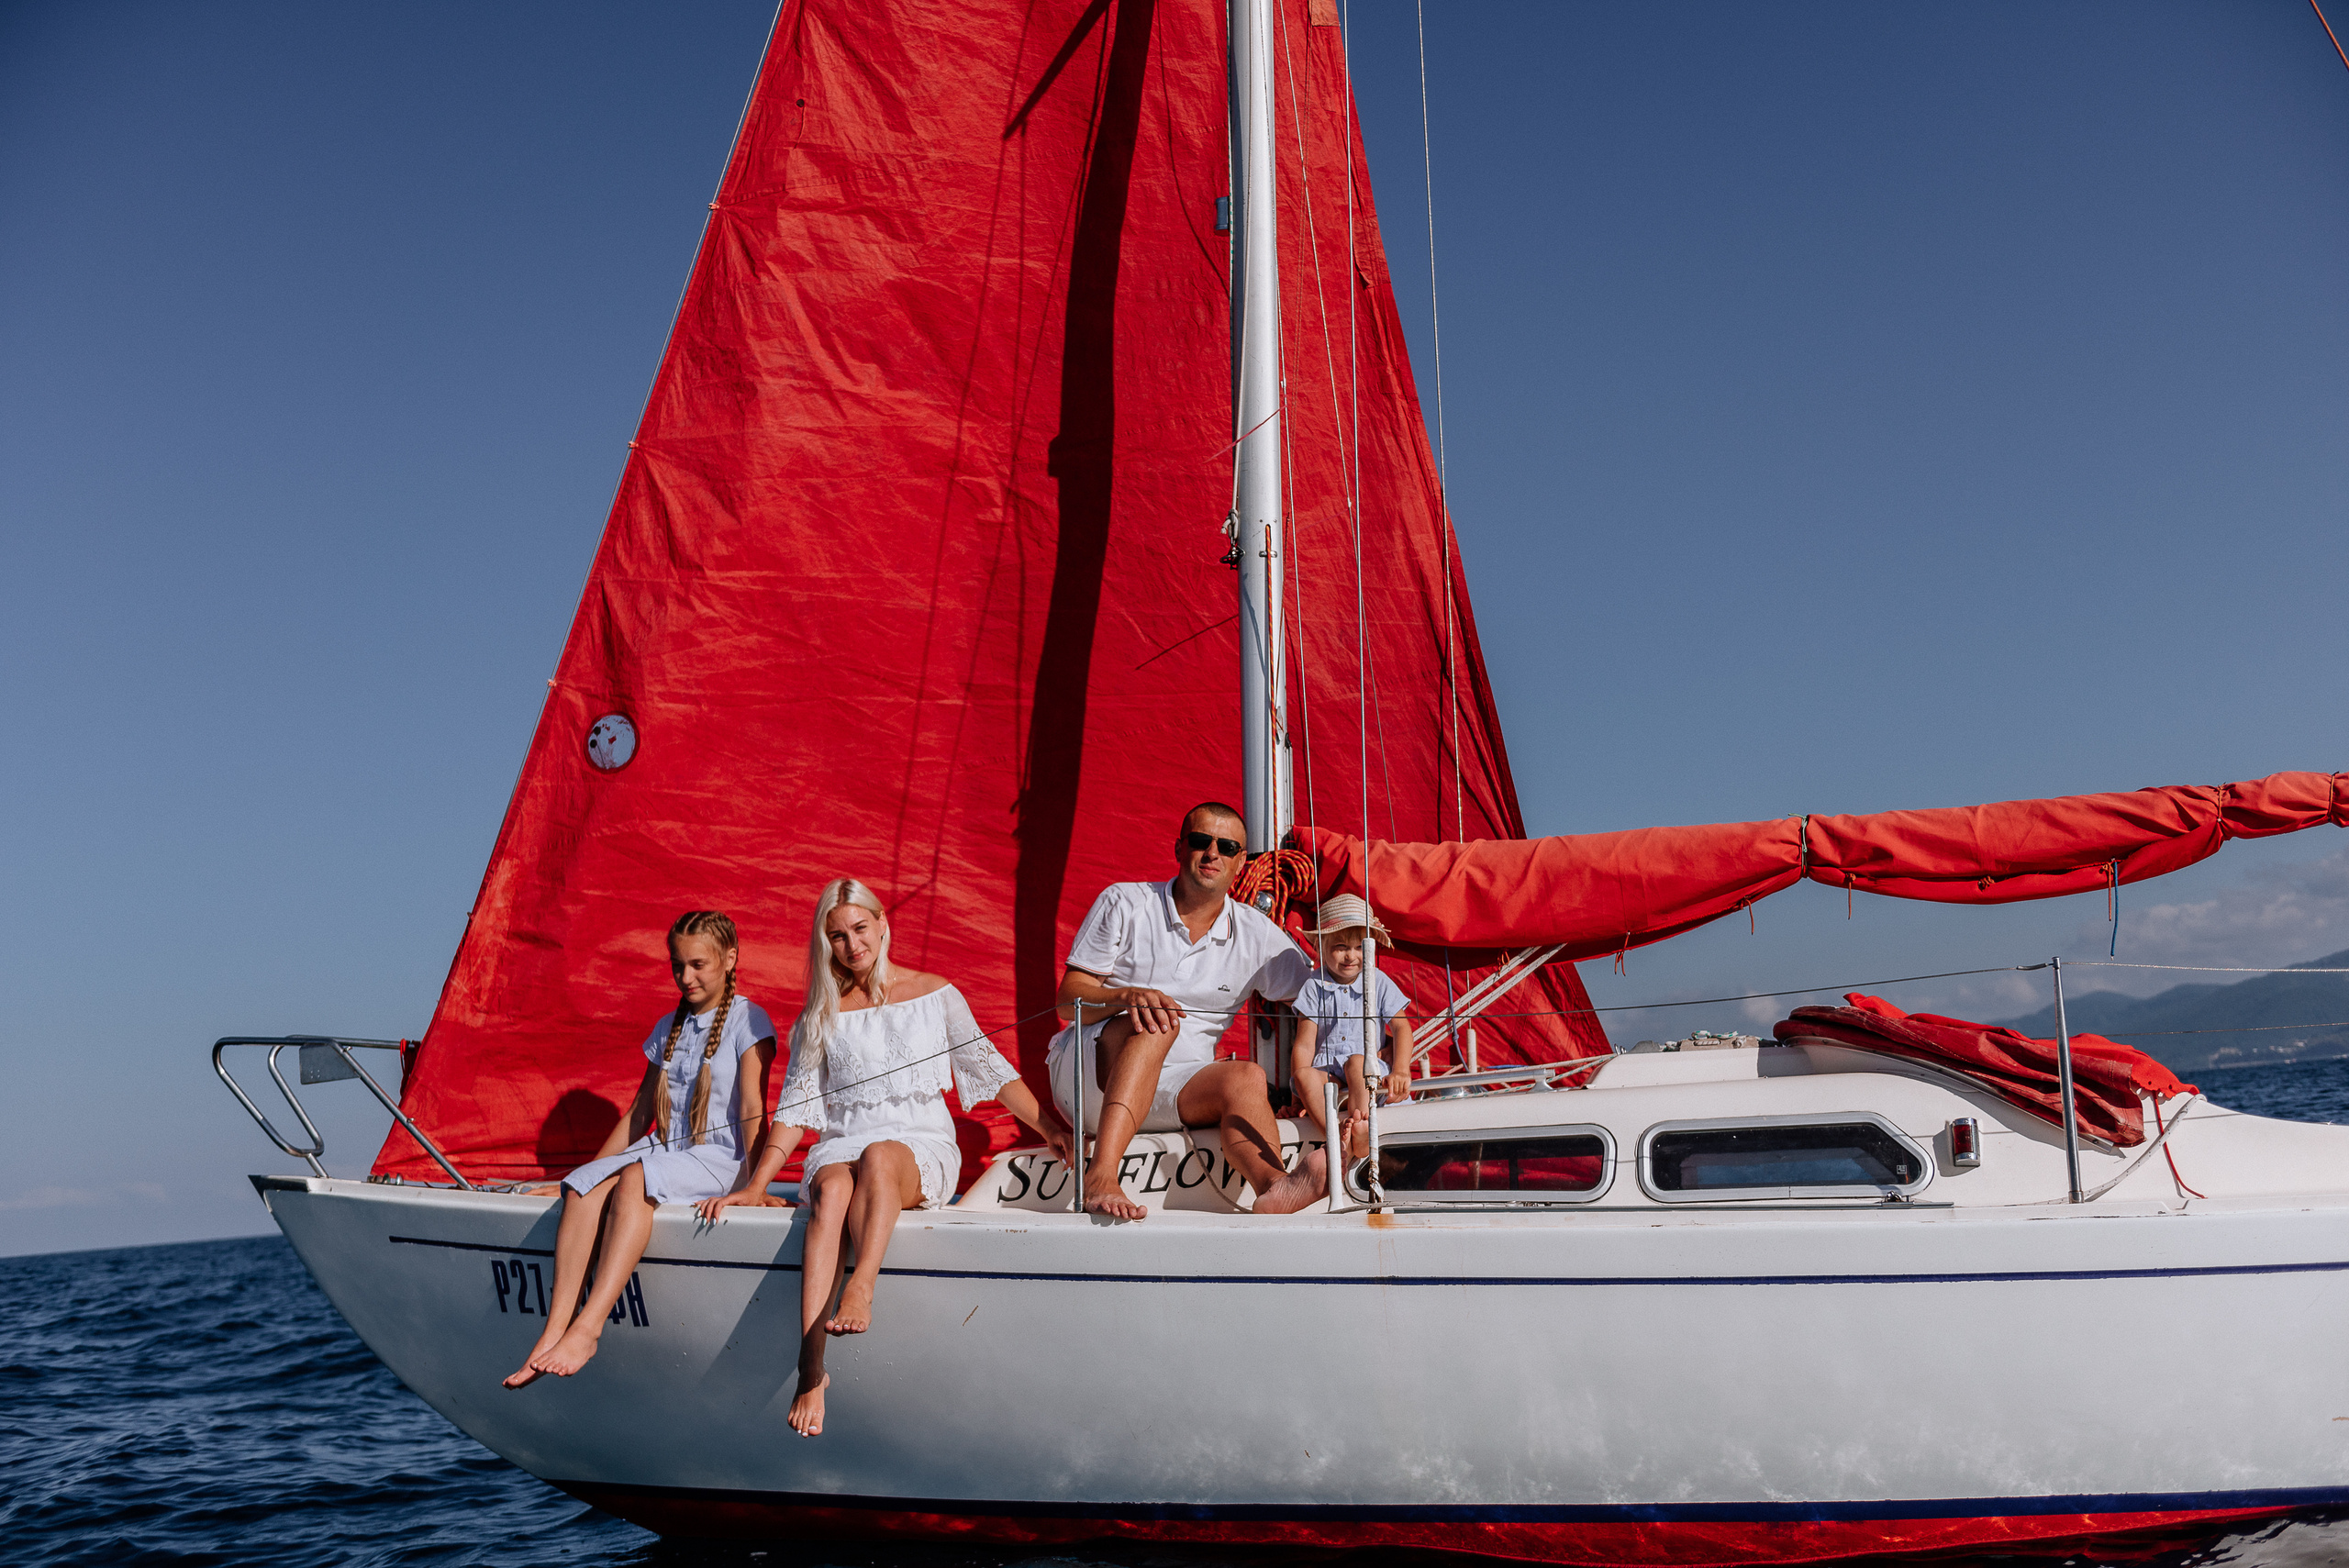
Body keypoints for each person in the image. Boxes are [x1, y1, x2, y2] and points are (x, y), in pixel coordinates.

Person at [699, 878, 1066, 1438]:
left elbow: (992, 1070)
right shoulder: (819, 1017)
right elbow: (795, 1109)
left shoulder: (935, 994)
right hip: (841, 1145)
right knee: (830, 1192)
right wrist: (756, 1185)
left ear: (882, 924)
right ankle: (811, 1368)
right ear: (827, 945)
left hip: (919, 1145)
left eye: (860, 929)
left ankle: (862, 1283)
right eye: (837, 936)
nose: (851, 945)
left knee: (877, 1155)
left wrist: (1050, 1128)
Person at [504, 910, 775, 1389]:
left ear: (730, 959)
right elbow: (637, 1117)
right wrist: (581, 1176)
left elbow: (755, 1106)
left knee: (637, 1177)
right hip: (667, 1150)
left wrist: (757, 1187)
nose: (685, 977)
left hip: (720, 1159)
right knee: (584, 1186)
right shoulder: (668, 1027)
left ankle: (588, 1330)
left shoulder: (749, 1021)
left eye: (698, 965)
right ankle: (551, 1334)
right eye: (677, 965)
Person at [1049, 801, 1324, 1220]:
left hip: (1171, 1087)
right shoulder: (1125, 902)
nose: (1213, 853)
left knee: (1247, 1075)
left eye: (1228, 847)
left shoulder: (1256, 935)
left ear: (1240, 863)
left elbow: (1327, 1004)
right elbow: (1068, 1002)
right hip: (1087, 1078)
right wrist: (1126, 997)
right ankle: (1102, 1173)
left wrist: (1357, 1069)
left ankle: (1274, 1186)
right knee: (1158, 1024)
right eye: (1201, 841)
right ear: (1179, 848)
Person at [1291, 895, 1414, 1162]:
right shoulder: (1314, 986)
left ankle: (1361, 1126)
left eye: (1359, 948)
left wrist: (1401, 1070)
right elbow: (1303, 1043)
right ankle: (1334, 1135)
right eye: (1340, 947)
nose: (1351, 956)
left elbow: (1401, 1028)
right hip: (1329, 1077)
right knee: (1304, 1075)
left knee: (1356, 1063)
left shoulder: (1377, 981)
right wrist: (1300, 1089)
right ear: (1321, 947)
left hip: (1368, 1075)